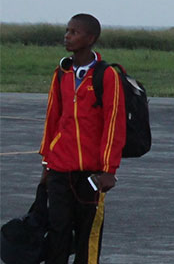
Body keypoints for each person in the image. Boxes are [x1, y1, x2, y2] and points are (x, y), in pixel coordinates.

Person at [39, 14, 126, 264]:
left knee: (88, 235)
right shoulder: (61, 73)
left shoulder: (107, 75)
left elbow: (114, 124)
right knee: (57, 232)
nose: (67, 36)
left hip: (91, 173)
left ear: (91, 38)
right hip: (59, 169)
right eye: (67, 31)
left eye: (74, 32)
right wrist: (47, 161)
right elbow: (52, 118)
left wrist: (109, 169)